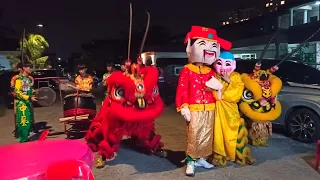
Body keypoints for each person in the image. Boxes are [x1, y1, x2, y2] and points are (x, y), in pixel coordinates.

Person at [175, 26, 232, 176]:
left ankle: (201, 158)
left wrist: (221, 84)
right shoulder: (187, 69)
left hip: (210, 108)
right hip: (193, 108)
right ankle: (190, 161)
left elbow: (217, 89)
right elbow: (182, 89)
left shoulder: (211, 71)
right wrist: (184, 106)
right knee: (193, 135)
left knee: (207, 134)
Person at [211, 51, 254, 166]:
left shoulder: (236, 76)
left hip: (230, 112)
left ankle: (238, 155)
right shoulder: (214, 76)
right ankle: (219, 155)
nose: (223, 67)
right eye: (220, 63)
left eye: (227, 64)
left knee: (233, 132)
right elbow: (212, 92)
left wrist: (228, 81)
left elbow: (236, 94)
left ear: (233, 65)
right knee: (218, 134)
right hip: (217, 111)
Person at [14, 61, 37, 143]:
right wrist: (29, 97)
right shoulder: (19, 80)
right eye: (29, 67)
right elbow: (17, 92)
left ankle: (26, 138)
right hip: (22, 104)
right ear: (24, 68)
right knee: (24, 122)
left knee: (29, 121)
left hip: (28, 103)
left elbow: (27, 90)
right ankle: (23, 140)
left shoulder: (27, 79)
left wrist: (33, 93)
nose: (31, 69)